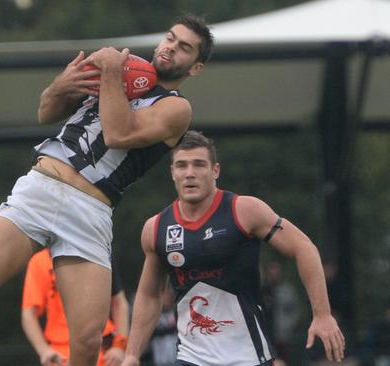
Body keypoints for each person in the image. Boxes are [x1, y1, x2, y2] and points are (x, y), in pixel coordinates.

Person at [0, 15, 214, 366]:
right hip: (41, 188)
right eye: (170, 38)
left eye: (184, 48)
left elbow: (119, 134)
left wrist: (109, 73)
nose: (170, 48)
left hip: (91, 209)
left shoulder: (177, 108)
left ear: (194, 67)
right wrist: (64, 83)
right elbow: (45, 110)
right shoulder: (120, 69)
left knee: (88, 342)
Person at [120, 131, 346, 366]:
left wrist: (322, 315)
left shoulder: (244, 211)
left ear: (215, 171)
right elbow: (150, 294)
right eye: (181, 166)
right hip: (190, 357)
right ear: (172, 173)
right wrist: (132, 354)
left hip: (247, 356)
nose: (189, 173)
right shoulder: (156, 228)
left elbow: (304, 248)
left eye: (199, 165)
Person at [21, 248, 130, 366]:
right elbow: (28, 313)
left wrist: (120, 345)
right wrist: (44, 351)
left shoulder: (98, 252)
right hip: (61, 354)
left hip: (103, 349)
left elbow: (118, 302)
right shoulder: (40, 262)